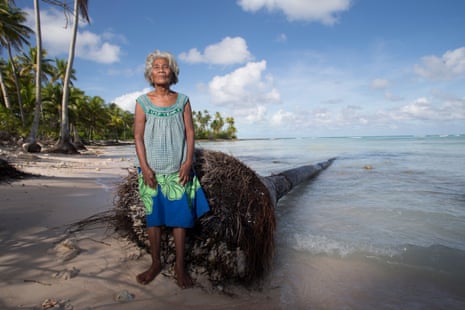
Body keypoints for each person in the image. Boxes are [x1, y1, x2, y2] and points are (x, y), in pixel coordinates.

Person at [133, 50, 209, 288]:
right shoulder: (142, 102)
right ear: (150, 73)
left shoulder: (183, 100)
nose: (161, 70)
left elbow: (189, 133)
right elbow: (137, 137)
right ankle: (155, 263)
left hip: (178, 170)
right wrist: (145, 168)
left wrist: (188, 163)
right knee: (153, 220)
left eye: (165, 67)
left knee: (180, 220)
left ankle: (179, 266)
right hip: (152, 171)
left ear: (172, 72)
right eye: (156, 67)